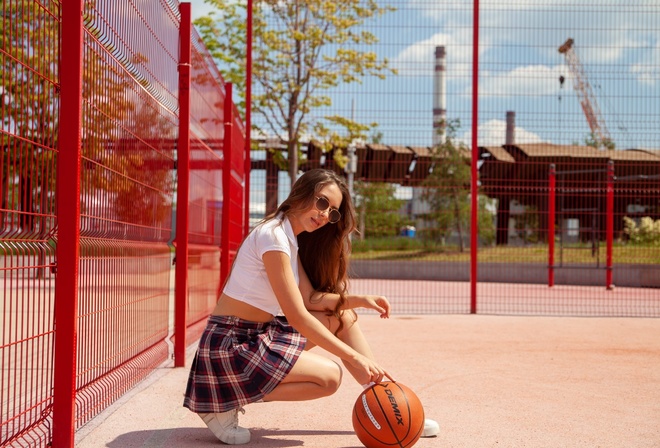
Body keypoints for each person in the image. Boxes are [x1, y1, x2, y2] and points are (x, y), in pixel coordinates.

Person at [183, 168, 439, 444]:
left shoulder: (289, 238)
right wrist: (355, 357)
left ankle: (392, 401)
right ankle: (222, 399)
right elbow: (298, 316)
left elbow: (310, 299)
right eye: (322, 202)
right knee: (329, 377)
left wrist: (361, 299)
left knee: (344, 317)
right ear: (301, 193)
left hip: (256, 335)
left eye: (333, 212)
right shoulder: (273, 237)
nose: (325, 214)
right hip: (230, 345)